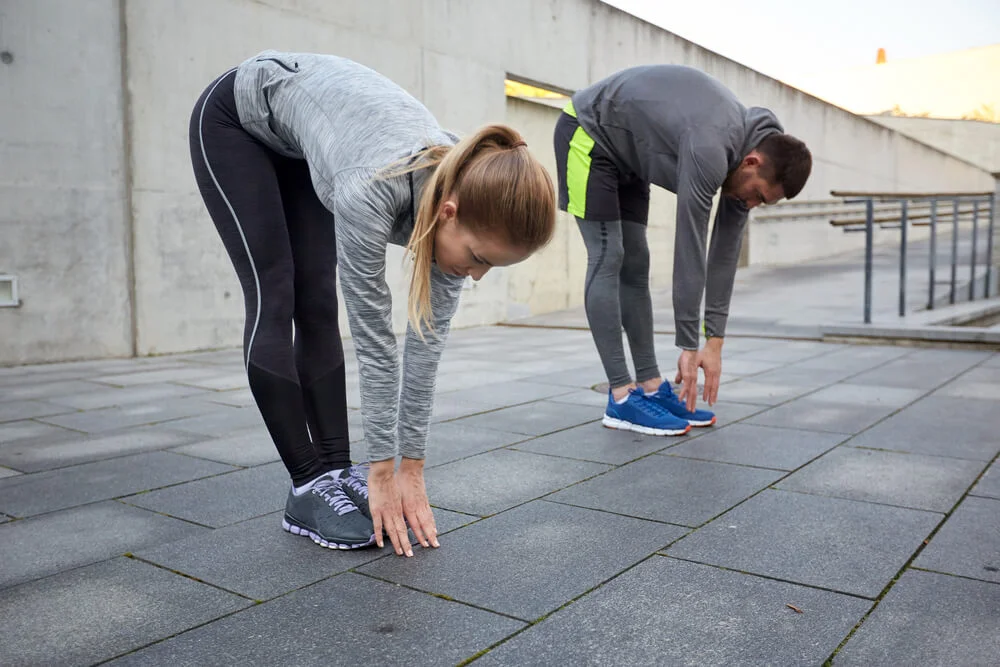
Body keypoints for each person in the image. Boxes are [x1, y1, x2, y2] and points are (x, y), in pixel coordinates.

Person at [190, 50, 555, 556]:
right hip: (237, 120)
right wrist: (384, 466)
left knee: (317, 303)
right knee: (277, 290)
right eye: (477, 258)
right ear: (447, 213)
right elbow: (377, 340)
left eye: (490, 267)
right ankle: (306, 485)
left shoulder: (466, 189)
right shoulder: (372, 186)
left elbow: (425, 347)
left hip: (308, 138)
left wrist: (412, 468)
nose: (475, 275)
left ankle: (338, 468)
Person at [554, 65, 812, 436]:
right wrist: (689, 344)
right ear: (752, 162)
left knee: (637, 262)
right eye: (757, 195)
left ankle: (648, 385)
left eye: (764, 202)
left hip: (627, 154)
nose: (753, 204)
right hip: (587, 131)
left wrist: (715, 340)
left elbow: (724, 254)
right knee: (609, 254)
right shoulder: (712, 148)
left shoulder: (749, 158)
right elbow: (690, 246)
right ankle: (621, 397)